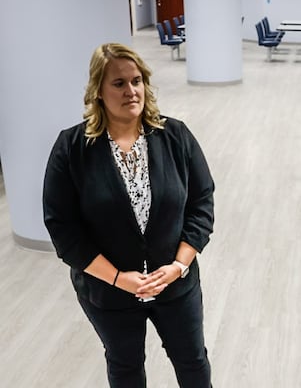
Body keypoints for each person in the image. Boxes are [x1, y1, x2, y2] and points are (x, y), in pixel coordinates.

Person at [42, 43, 215, 387]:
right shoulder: (72, 148)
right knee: (125, 367)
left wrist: (177, 267)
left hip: (176, 285)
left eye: (137, 81)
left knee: (192, 361)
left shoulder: (175, 136)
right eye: (119, 83)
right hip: (108, 292)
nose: (131, 91)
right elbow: (63, 229)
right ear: (98, 91)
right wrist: (120, 279)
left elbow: (201, 204)